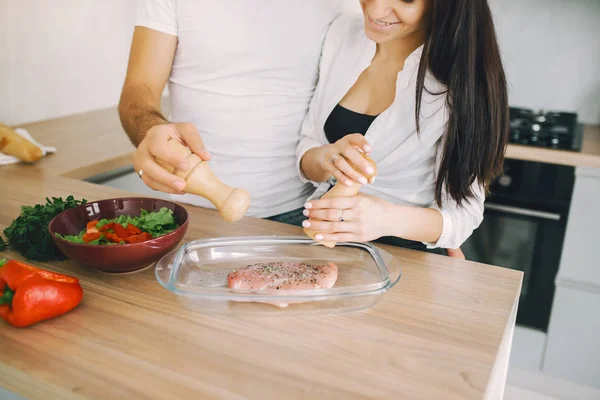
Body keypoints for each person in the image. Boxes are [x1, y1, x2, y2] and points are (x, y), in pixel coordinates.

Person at [296, 0, 509, 256]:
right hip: (326, 246)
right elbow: (309, 145)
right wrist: (327, 158)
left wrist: (385, 219)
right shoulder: (343, 34)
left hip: (409, 255)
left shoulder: (462, 83)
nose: (375, 10)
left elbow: (463, 216)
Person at [118, 0, 359, 224]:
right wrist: (151, 131)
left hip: (299, 214)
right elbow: (139, 88)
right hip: (188, 210)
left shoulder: (344, 5)